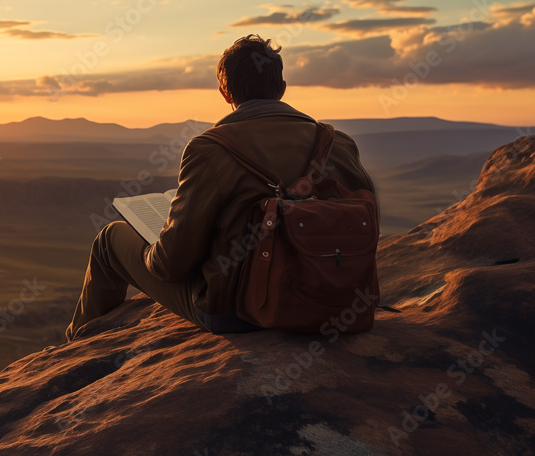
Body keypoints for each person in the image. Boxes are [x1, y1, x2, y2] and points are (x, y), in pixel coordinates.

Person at [64, 34, 377, 341]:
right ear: (281, 89)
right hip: (335, 301)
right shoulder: (338, 144)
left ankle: (74, 350)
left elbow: (170, 266)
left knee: (108, 241)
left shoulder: (210, 150)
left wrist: (151, 247)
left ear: (225, 93)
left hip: (237, 313)